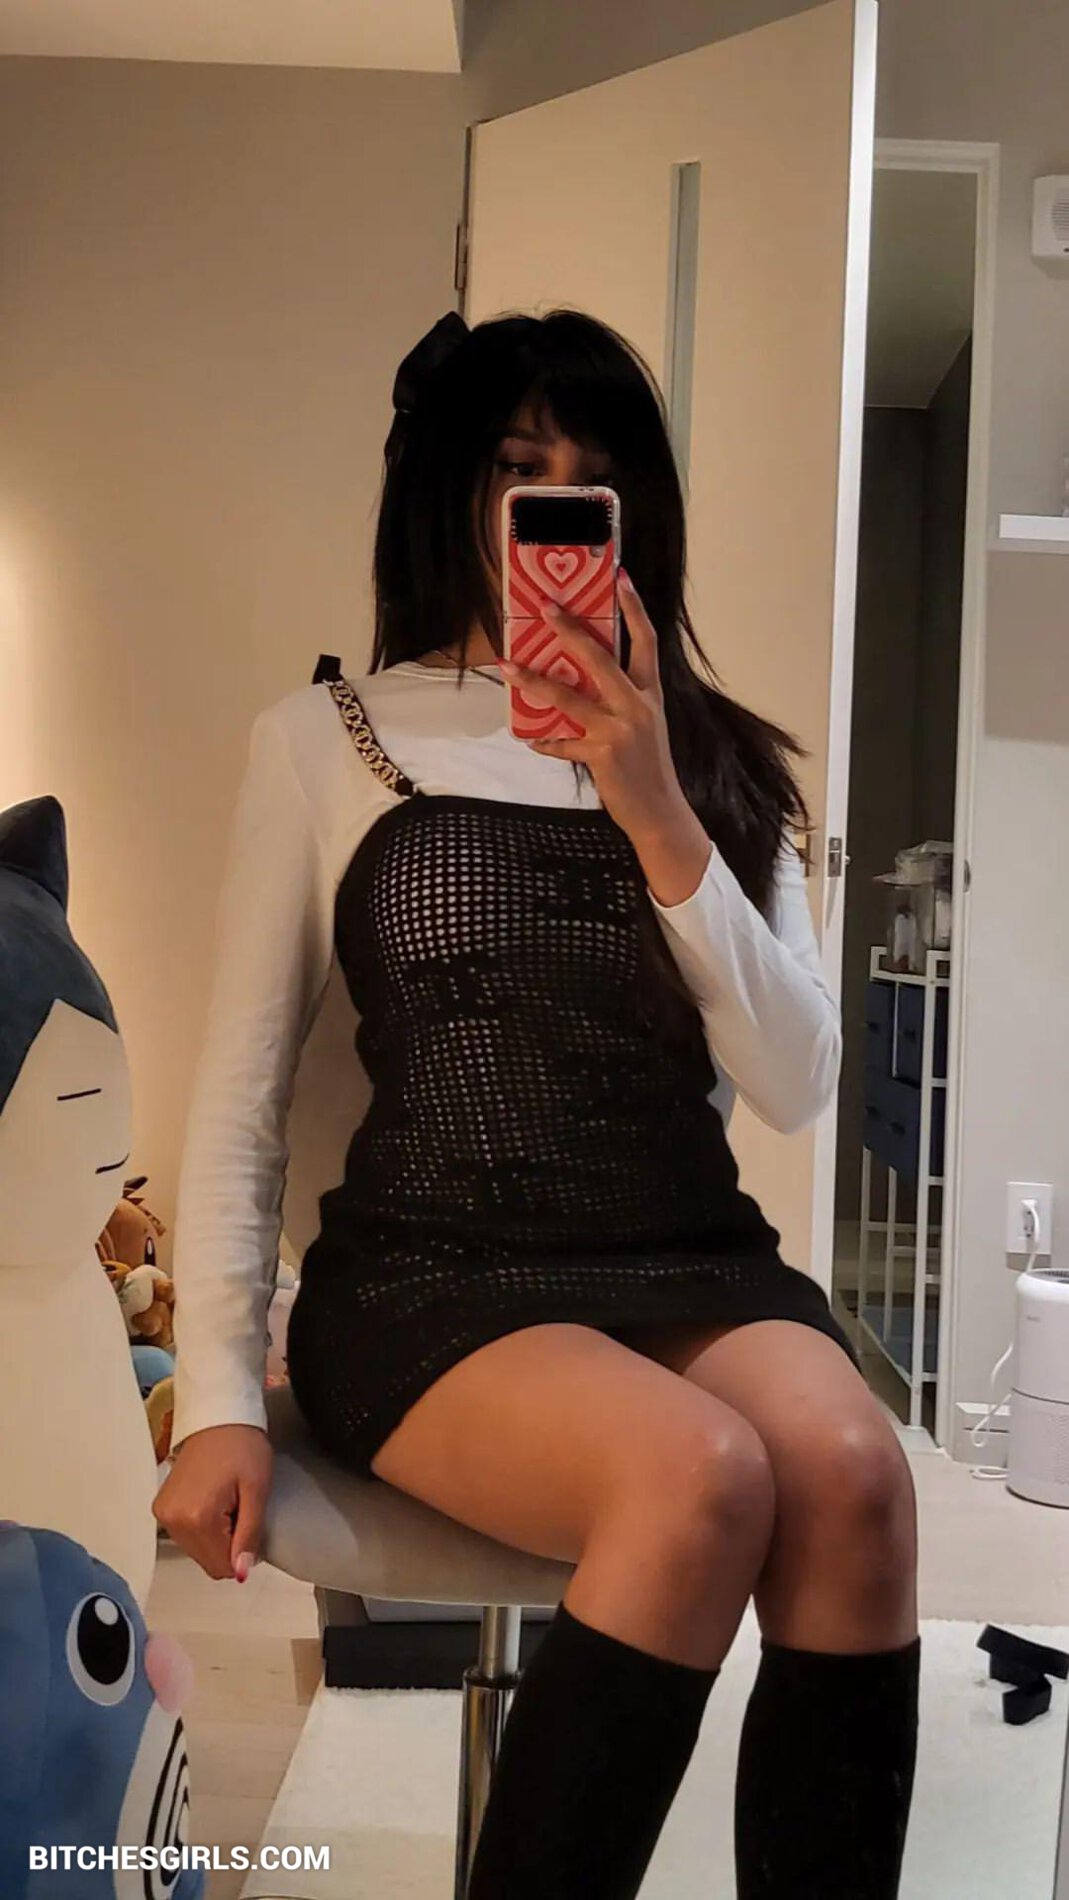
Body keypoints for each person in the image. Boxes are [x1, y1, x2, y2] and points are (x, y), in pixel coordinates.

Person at [155, 308, 921, 1898]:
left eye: (590, 477)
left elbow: (794, 1086)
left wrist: (654, 802)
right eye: (519, 469)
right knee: (698, 1474)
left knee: (855, 1470)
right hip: (434, 1276)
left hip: (683, 1255)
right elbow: (239, 1098)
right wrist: (218, 1395)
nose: (554, 506)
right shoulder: (329, 739)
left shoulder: (715, 764)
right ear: (455, 494)